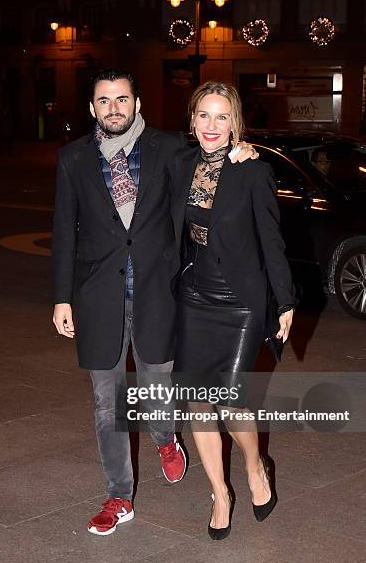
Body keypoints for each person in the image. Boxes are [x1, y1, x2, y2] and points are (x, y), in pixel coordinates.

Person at [51, 69, 257, 537]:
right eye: (104, 101)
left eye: (122, 99)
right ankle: (118, 495)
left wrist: (241, 154)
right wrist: (61, 298)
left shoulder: (170, 150)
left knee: (157, 388)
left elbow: (213, 161)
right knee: (108, 403)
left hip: (158, 293)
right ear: (92, 108)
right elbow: (64, 233)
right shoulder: (73, 159)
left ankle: (166, 439)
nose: (114, 108)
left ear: (137, 103)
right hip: (98, 297)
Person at [171, 81, 295, 540]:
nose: (211, 125)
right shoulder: (180, 164)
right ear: (192, 120)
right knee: (199, 402)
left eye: (222, 117)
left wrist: (285, 301)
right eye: (204, 115)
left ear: (235, 123)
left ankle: (253, 462)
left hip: (240, 299)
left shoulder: (252, 171)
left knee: (233, 399)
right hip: (194, 294)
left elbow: (271, 241)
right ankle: (220, 493)